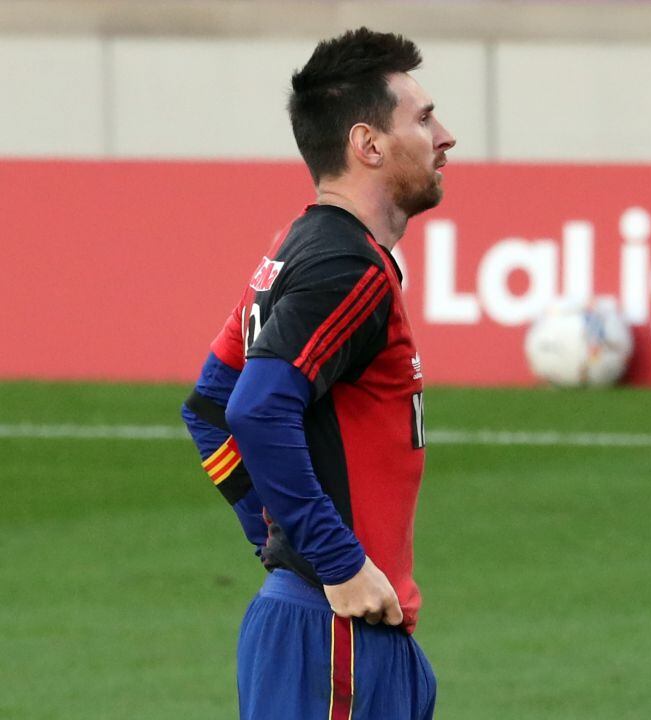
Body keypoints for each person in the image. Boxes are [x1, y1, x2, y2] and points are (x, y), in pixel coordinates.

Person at [180, 27, 455, 720]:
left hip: (335, 631)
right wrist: (331, 562)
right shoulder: (343, 268)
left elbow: (209, 402)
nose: (445, 136)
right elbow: (249, 408)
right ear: (368, 145)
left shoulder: (299, 248)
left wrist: (283, 544)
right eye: (423, 119)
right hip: (334, 639)